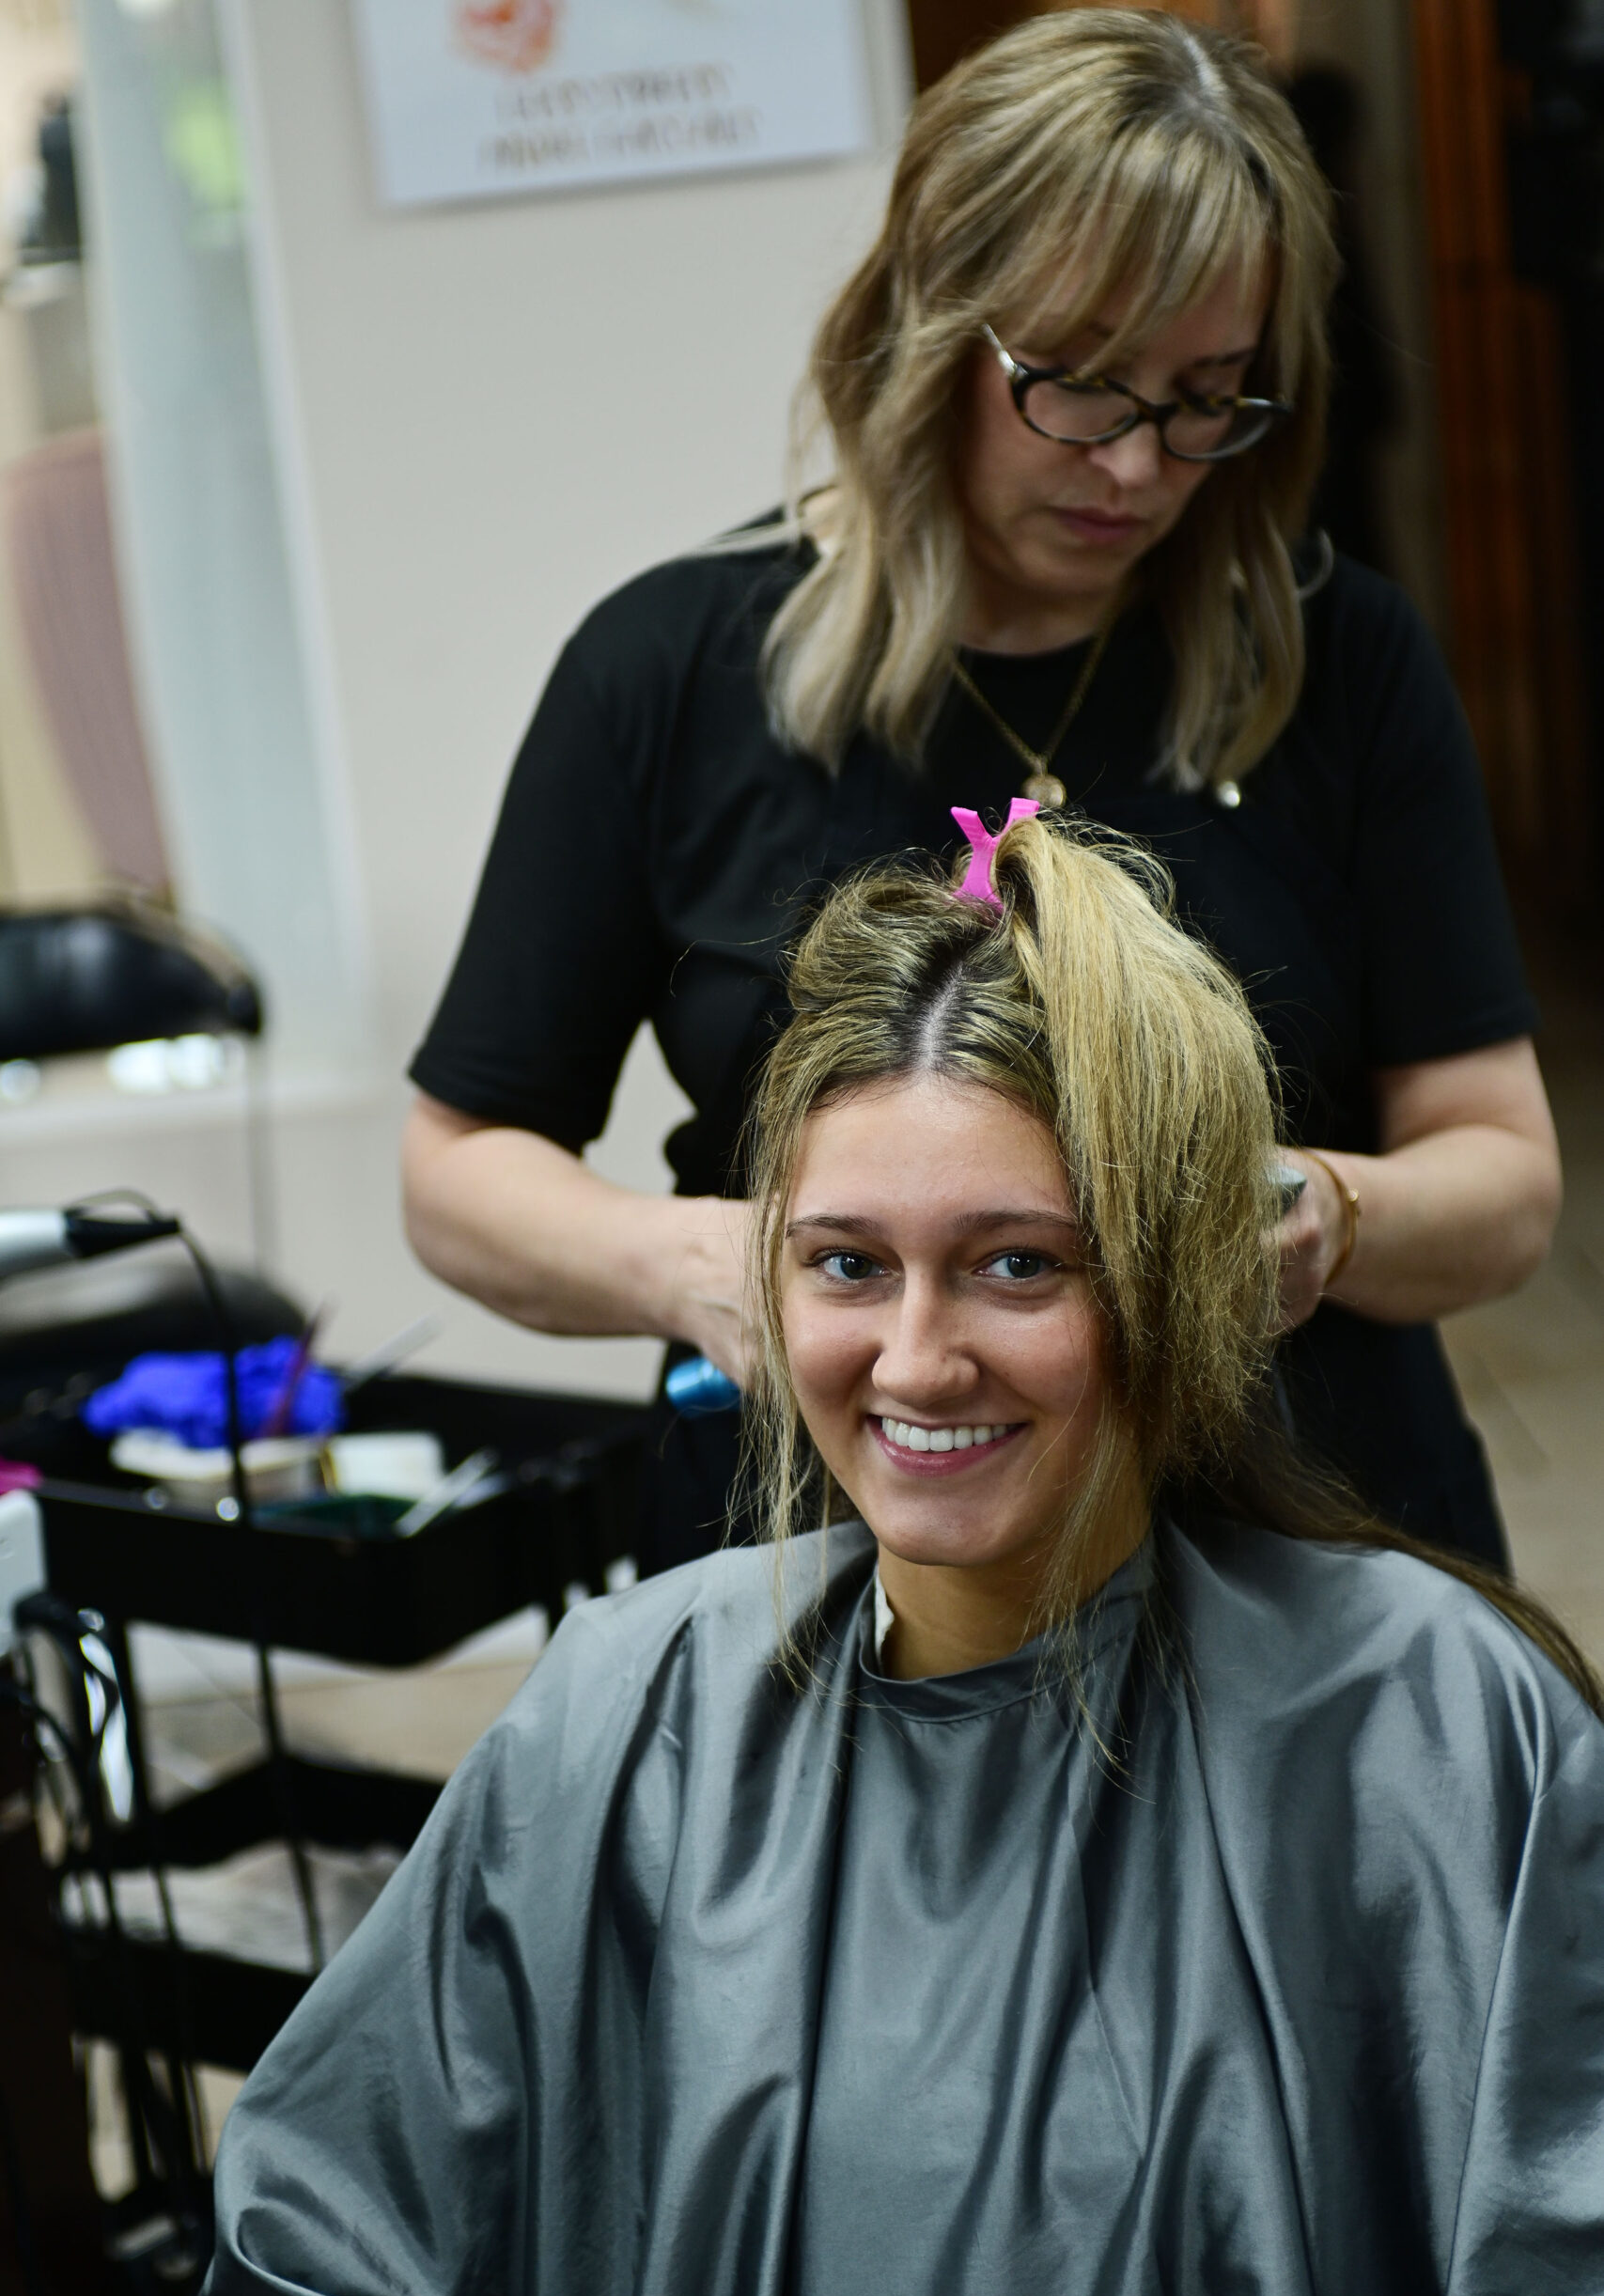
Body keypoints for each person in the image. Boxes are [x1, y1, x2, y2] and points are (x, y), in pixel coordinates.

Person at [179, 812, 1603, 2296]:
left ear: (1177, 1279)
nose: (916, 1364)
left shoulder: (1433, 1732)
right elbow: (317, 2286)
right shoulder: (626, 1722)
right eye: (849, 1266)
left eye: (1017, 1266)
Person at [403, 9, 1560, 1573]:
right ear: (926, 328)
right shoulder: (665, 670)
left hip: (1303, 1551)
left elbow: (1503, 1179)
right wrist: (721, 1264)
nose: (1138, 467)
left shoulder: (1336, 656)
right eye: (1078, 386)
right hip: (830, 1561)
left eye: (1207, 394)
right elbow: (457, 1174)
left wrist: (1325, 1219)